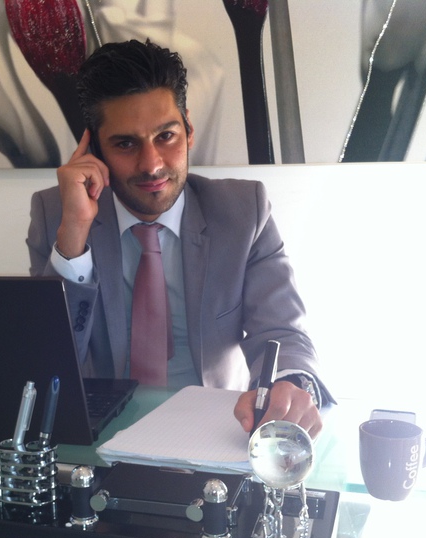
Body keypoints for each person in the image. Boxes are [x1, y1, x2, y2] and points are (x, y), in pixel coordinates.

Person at [27, 39, 332, 438]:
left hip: (218, 429)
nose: (152, 164)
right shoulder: (58, 214)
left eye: (165, 136)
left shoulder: (243, 212)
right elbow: (47, 361)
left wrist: (291, 386)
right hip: (102, 433)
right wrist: (74, 234)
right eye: (125, 143)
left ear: (188, 130)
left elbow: (282, 332)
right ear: (95, 150)